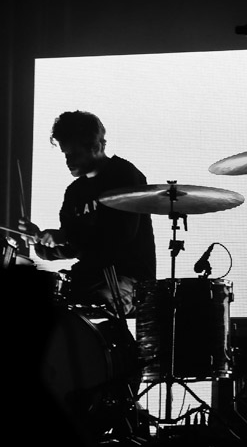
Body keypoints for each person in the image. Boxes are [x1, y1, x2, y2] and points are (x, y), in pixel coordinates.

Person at [19, 110, 156, 316]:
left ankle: (115, 348)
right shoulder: (74, 192)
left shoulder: (124, 175)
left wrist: (65, 236)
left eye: (73, 154)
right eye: (65, 155)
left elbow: (119, 236)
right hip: (90, 276)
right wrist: (38, 241)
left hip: (129, 279)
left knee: (92, 303)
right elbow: (72, 248)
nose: (68, 161)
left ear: (96, 146)